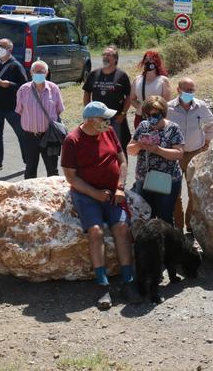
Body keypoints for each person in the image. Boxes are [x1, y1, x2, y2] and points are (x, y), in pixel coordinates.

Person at [61, 101, 136, 309]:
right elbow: (71, 178)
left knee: (122, 228)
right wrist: (95, 193)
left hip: (112, 192)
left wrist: (120, 187)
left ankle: (128, 280)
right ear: (91, 120)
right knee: (95, 232)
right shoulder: (72, 141)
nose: (108, 121)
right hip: (86, 194)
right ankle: (103, 285)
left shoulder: (109, 132)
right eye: (104, 118)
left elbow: (122, 161)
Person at [167, 77, 213, 234]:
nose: (190, 93)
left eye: (192, 90)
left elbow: (211, 123)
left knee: (193, 192)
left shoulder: (200, 106)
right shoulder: (168, 108)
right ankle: (178, 226)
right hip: (174, 155)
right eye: (187, 90)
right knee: (174, 192)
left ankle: (190, 225)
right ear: (178, 90)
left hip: (194, 153)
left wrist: (206, 142)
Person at [128, 95, 184, 225]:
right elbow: (130, 150)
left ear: (163, 112)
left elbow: (179, 154)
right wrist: (140, 145)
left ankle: (167, 243)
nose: (151, 117)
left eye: (155, 114)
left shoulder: (173, 128)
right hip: (144, 180)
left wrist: (157, 150)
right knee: (146, 216)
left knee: (165, 217)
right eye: (148, 114)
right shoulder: (143, 126)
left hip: (167, 180)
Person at [0, 38, 28, 173]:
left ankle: (28, 161)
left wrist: (9, 84)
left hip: (12, 107)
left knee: (21, 134)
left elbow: (24, 86)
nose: (0, 48)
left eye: (3, 46)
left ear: (10, 50)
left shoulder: (16, 66)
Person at [15, 60, 65, 179]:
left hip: (49, 136)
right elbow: (20, 110)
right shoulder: (23, 90)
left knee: (52, 170)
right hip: (29, 136)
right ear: (31, 73)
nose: (39, 74)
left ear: (47, 73)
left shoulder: (54, 89)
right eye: (36, 71)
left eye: (42, 71)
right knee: (30, 169)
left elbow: (58, 110)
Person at [83, 45, 132, 151]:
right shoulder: (93, 74)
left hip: (115, 118)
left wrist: (123, 114)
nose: (105, 57)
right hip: (97, 117)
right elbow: (87, 93)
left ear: (115, 59)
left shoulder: (122, 75)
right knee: (98, 145)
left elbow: (129, 97)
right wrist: (88, 112)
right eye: (104, 54)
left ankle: (119, 167)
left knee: (117, 146)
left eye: (108, 55)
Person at [129, 51, 172, 129]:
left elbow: (167, 102)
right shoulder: (137, 79)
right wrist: (141, 108)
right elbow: (132, 99)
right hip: (140, 117)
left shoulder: (163, 80)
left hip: (157, 118)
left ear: (156, 62)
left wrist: (154, 110)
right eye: (146, 59)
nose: (148, 61)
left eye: (151, 59)